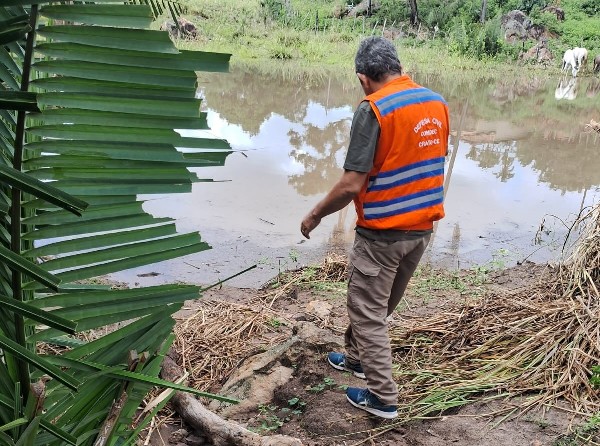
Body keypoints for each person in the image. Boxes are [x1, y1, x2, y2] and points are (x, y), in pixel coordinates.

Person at [300, 36, 449, 419]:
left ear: (363, 78)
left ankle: (383, 398)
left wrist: (315, 214)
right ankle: (356, 359)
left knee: (367, 309)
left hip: (383, 231)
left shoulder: (374, 108)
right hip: (421, 230)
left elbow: (351, 184)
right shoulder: (436, 102)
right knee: (376, 303)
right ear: (398, 67)